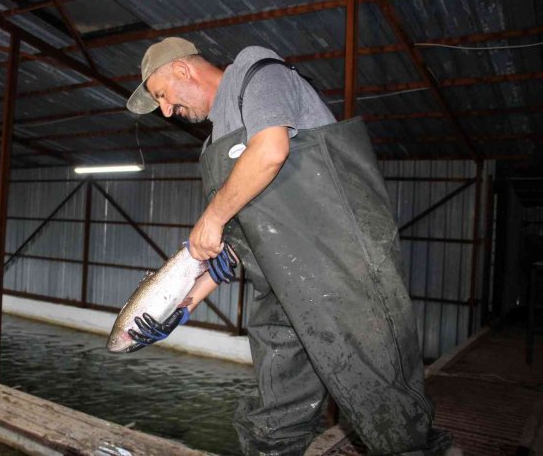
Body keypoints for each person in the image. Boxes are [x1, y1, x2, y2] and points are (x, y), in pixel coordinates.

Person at [125, 37, 454, 455]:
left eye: (163, 96)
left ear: (182, 70)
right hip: (280, 293)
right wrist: (181, 307)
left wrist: (212, 216)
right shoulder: (211, 150)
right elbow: (228, 248)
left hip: (341, 274)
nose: (168, 111)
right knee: (275, 415)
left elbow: (271, 150)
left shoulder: (258, 73)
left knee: (386, 407)